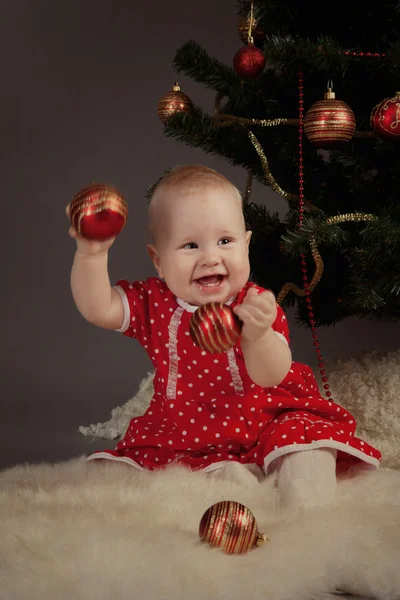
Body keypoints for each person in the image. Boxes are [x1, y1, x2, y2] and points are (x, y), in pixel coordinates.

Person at [67, 165, 381, 511]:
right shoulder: (152, 302)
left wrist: (258, 334)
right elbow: (99, 308)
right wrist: (92, 254)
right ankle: (230, 480)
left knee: (303, 443)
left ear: (246, 245)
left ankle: (305, 499)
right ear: (158, 260)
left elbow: (271, 375)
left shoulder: (255, 303)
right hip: (187, 426)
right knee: (148, 471)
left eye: (225, 241)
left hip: (265, 414)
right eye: (190, 245)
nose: (210, 257)